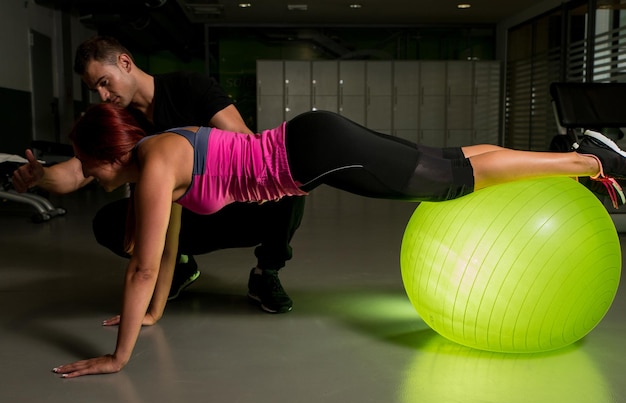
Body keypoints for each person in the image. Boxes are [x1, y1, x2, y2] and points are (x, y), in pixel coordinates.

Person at [52, 103, 625, 378]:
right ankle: (577, 156)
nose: (87, 177)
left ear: (110, 154)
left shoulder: (152, 170)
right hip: (313, 136)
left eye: (85, 165)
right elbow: (169, 248)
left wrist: (118, 356)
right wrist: (152, 316)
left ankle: (586, 158)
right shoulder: (156, 153)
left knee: (451, 182)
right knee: (448, 163)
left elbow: (143, 268)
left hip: (317, 155)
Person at [12, 35, 304, 313]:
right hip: (173, 217)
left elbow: (243, 140)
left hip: (224, 205)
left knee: (290, 189)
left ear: (125, 63)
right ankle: (179, 266)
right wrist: (42, 177)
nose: (102, 95)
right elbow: (80, 170)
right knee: (108, 223)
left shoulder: (190, 87)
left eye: (104, 83)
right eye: (95, 90)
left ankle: (266, 272)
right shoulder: (120, 119)